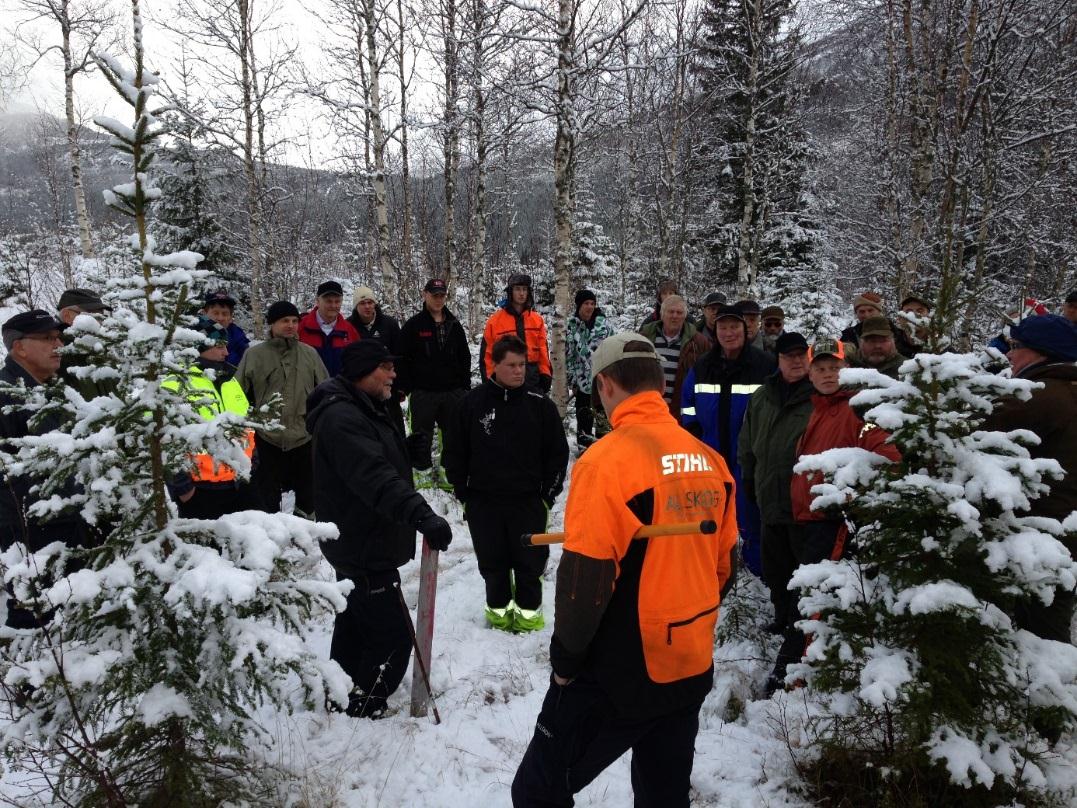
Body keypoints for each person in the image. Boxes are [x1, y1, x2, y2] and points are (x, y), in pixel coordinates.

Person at [511, 332, 739, 808]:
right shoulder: (711, 461)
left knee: (537, 790)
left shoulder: (608, 462)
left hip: (623, 671)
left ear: (604, 386)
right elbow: (724, 566)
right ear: (658, 383)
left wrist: (566, 663)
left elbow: (585, 578)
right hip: (691, 660)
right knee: (663, 793)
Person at [306, 340, 453, 718]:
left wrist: (406, 450)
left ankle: (341, 689)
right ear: (361, 372)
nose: (393, 375)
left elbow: (376, 457)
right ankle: (365, 701)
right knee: (392, 634)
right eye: (384, 368)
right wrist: (422, 516)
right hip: (363, 540)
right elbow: (373, 476)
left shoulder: (365, 406)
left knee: (356, 620)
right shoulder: (342, 418)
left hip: (360, 537)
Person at [773, 336, 901, 693]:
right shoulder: (820, 408)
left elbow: (889, 458)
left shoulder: (857, 409)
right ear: (810, 373)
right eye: (821, 368)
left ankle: (793, 682)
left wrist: (848, 495)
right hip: (808, 523)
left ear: (848, 370)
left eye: (835, 367)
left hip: (833, 524)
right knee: (809, 601)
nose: (828, 374)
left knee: (814, 606)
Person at [443, 336, 569, 632]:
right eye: (511, 365)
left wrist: (547, 496)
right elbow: (454, 453)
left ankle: (528, 619)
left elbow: (557, 455)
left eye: (522, 365)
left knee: (529, 565)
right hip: (483, 502)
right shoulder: (471, 404)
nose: (518, 371)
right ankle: (498, 617)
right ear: (494, 365)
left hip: (528, 502)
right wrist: (464, 494)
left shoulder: (540, 406)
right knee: (492, 564)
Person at [983, 313, 1077, 644]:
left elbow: (979, 433)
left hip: (1042, 535)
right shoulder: (1067, 389)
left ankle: (1050, 693)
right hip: (1063, 531)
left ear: (1042, 352)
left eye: (1017, 346)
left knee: (1041, 634)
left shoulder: (1043, 394)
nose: (1009, 354)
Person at [0, 311, 94, 628]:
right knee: (37, 621)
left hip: (66, 527)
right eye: (47, 339)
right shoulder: (7, 396)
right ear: (19, 347)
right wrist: (19, 535)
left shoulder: (47, 391)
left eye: (58, 338)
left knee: (66, 619)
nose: (58, 345)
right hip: (31, 537)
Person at [681, 304, 776, 577]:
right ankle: (714, 564)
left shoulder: (764, 365)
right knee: (712, 512)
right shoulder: (702, 366)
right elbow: (687, 404)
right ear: (716, 331)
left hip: (750, 456)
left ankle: (755, 571)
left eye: (734, 327)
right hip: (711, 455)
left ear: (745, 330)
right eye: (723, 327)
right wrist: (695, 435)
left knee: (750, 514)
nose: (728, 332)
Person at [737, 332, 815, 636]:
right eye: (789, 356)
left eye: (800, 355)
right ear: (778, 360)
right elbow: (748, 439)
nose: (796, 361)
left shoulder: (817, 395)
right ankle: (782, 615)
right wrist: (747, 475)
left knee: (803, 568)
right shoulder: (762, 396)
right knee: (776, 567)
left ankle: (801, 625)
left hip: (803, 502)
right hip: (769, 497)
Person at [235, 301, 328, 517]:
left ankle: (302, 536)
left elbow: (324, 390)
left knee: (308, 495)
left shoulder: (309, 354)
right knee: (266, 496)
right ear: (272, 324)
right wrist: (245, 426)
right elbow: (237, 393)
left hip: (303, 436)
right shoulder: (254, 355)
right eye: (285, 321)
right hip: (266, 437)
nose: (291, 325)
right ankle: (270, 538)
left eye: (295, 321)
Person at [163, 318, 260, 519]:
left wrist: (253, 458)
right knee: (204, 550)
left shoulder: (229, 380)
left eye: (226, 346)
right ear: (198, 347)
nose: (226, 352)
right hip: (200, 490)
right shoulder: (175, 383)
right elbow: (164, 440)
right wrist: (183, 487)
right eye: (219, 346)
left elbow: (244, 423)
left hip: (239, 484)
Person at [398, 278, 472, 472]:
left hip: (452, 391)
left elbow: (464, 357)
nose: (438, 299)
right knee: (421, 434)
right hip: (424, 392)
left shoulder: (454, 324)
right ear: (425, 295)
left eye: (442, 295)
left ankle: (450, 470)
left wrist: (464, 387)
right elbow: (401, 357)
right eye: (434, 295)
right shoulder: (414, 325)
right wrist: (406, 386)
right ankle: (420, 470)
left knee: (453, 434)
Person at [347, 285, 405, 434]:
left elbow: (400, 355)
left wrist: (400, 386)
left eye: (370, 302)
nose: (367, 306)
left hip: (388, 388)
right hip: (362, 391)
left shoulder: (389, 324)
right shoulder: (348, 326)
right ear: (356, 306)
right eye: (362, 303)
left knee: (395, 430)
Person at [480, 273, 552, 393]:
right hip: (505, 383)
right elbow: (487, 356)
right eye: (517, 289)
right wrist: (490, 381)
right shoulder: (495, 321)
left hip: (533, 381)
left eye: (524, 289)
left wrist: (545, 374)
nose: (522, 293)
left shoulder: (536, 320)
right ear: (510, 292)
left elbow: (543, 351)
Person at [565, 289, 613, 451]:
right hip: (582, 381)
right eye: (586, 303)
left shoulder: (604, 325)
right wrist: (571, 379)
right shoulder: (572, 326)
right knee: (584, 418)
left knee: (603, 418)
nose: (590, 307)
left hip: (602, 380)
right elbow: (568, 355)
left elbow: (614, 350)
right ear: (579, 305)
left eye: (592, 303)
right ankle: (584, 451)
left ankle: (605, 451)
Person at [640, 294, 698, 414]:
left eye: (679, 312)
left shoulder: (697, 342)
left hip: (680, 412)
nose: (675, 316)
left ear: (685, 316)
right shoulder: (645, 338)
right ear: (662, 314)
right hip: (647, 409)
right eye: (671, 312)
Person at [56, 287, 112, 399]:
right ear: (67, 316)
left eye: (101, 315)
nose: (99, 321)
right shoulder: (55, 356)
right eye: (92, 314)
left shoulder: (99, 348)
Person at [298, 281, 360, 377]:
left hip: (339, 389)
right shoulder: (301, 327)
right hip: (308, 390)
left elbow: (357, 364)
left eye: (337, 301)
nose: (333, 306)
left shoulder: (349, 331)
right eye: (328, 301)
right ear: (318, 301)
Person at [202, 290, 250, 366]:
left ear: (231, 317)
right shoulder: (193, 335)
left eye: (225, 314)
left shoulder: (238, 338)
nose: (220, 318)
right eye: (215, 313)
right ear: (204, 314)